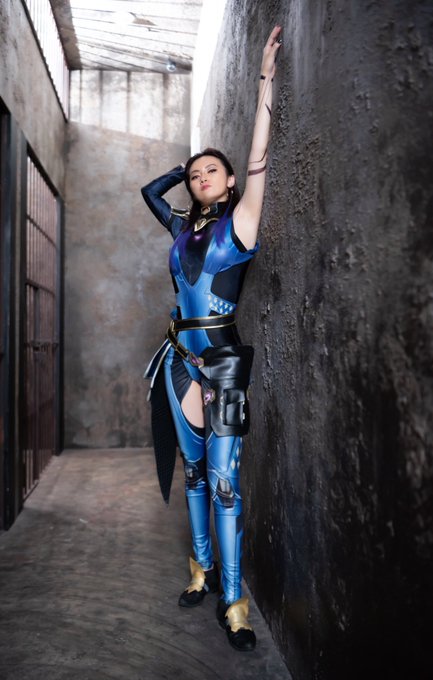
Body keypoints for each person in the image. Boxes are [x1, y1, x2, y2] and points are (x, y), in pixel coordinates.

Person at [141, 26, 281, 652]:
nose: (200, 176)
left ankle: (234, 601)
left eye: (210, 170)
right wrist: (182, 165)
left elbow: (258, 161)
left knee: (224, 484)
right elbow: (149, 193)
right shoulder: (180, 230)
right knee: (194, 473)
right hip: (178, 360)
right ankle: (199, 570)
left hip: (222, 363)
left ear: (228, 183)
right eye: (195, 172)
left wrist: (266, 81)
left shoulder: (241, 223)